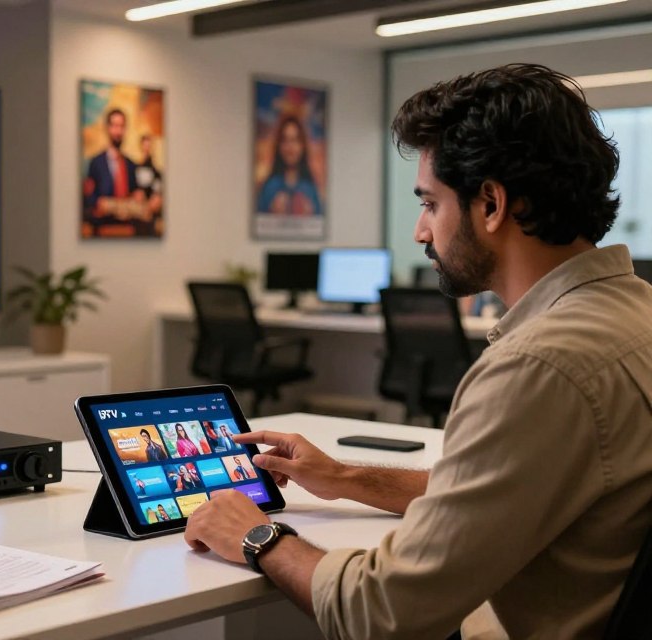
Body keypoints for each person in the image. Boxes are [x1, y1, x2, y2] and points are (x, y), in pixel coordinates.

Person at [183, 64, 652, 639]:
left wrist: (257, 536)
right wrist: (343, 475)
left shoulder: (537, 367)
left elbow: (382, 614)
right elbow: (500, 493)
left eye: (429, 203)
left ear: (491, 204)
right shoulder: (636, 316)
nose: (420, 232)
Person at [82, 109, 142, 232]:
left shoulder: (130, 165)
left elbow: (135, 192)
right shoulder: (97, 163)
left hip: (127, 228)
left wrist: (138, 196)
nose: (118, 131)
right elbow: (89, 196)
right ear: (108, 128)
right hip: (103, 228)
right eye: (115, 126)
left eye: (121, 126)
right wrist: (98, 204)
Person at [256, 115, 322, 216]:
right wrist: (271, 212)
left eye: (295, 140)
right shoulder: (269, 187)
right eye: (285, 140)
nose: (290, 147)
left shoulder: (310, 189)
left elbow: (320, 223)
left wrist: (309, 215)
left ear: (302, 145)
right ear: (279, 146)